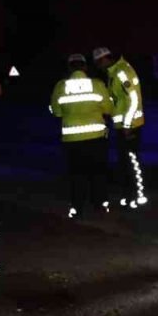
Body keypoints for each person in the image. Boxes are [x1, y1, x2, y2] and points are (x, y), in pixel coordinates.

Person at [50, 53, 113, 219]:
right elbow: (108, 108)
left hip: (72, 140)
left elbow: (56, 112)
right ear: (85, 67)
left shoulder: (60, 86)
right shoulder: (97, 85)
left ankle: (77, 207)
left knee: (77, 174)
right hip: (96, 137)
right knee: (98, 172)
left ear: (69, 68)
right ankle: (100, 205)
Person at [93, 46, 148, 209]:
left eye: (97, 63)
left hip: (130, 126)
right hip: (123, 125)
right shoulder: (114, 72)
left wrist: (127, 124)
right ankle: (129, 196)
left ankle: (138, 196)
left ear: (103, 59)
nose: (97, 67)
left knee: (132, 163)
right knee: (125, 163)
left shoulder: (121, 72)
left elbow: (133, 98)